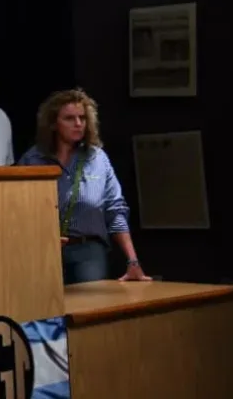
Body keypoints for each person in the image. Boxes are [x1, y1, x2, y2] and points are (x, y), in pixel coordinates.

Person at [18, 89, 151, 285]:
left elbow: (116, 210)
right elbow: (17, 210)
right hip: (43, 250)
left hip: (88, 251)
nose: (78, 124)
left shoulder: (97, 158)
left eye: (82, 118)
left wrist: (132, 260)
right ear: (54, 123)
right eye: (70, 118)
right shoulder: (33, 159)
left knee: (88, 308)